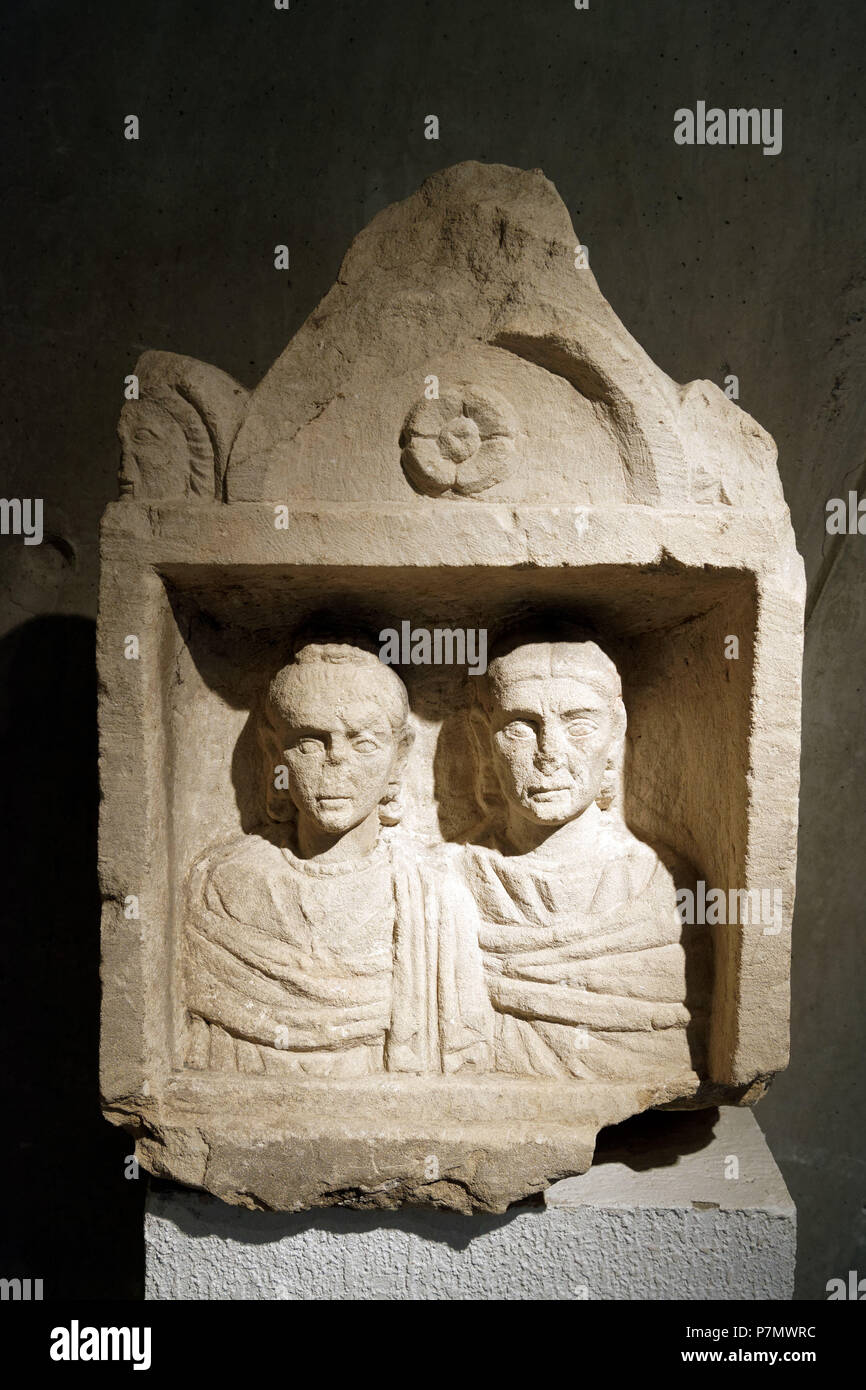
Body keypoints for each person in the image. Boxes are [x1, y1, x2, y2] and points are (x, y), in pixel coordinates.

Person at [184, 634, 492, 1076]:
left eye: (364, 743)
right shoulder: (226, 888)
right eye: (309, 742)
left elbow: (464, 1065)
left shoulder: (435, 896)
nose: (336, 762)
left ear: (399, 756)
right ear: (275, 752)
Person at [461, 622, 709, 1081]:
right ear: (482, 739)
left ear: (615, 737)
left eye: (579, 725)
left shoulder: (666, 892)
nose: (549, 753)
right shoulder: (446, 884)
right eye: (521, 728)